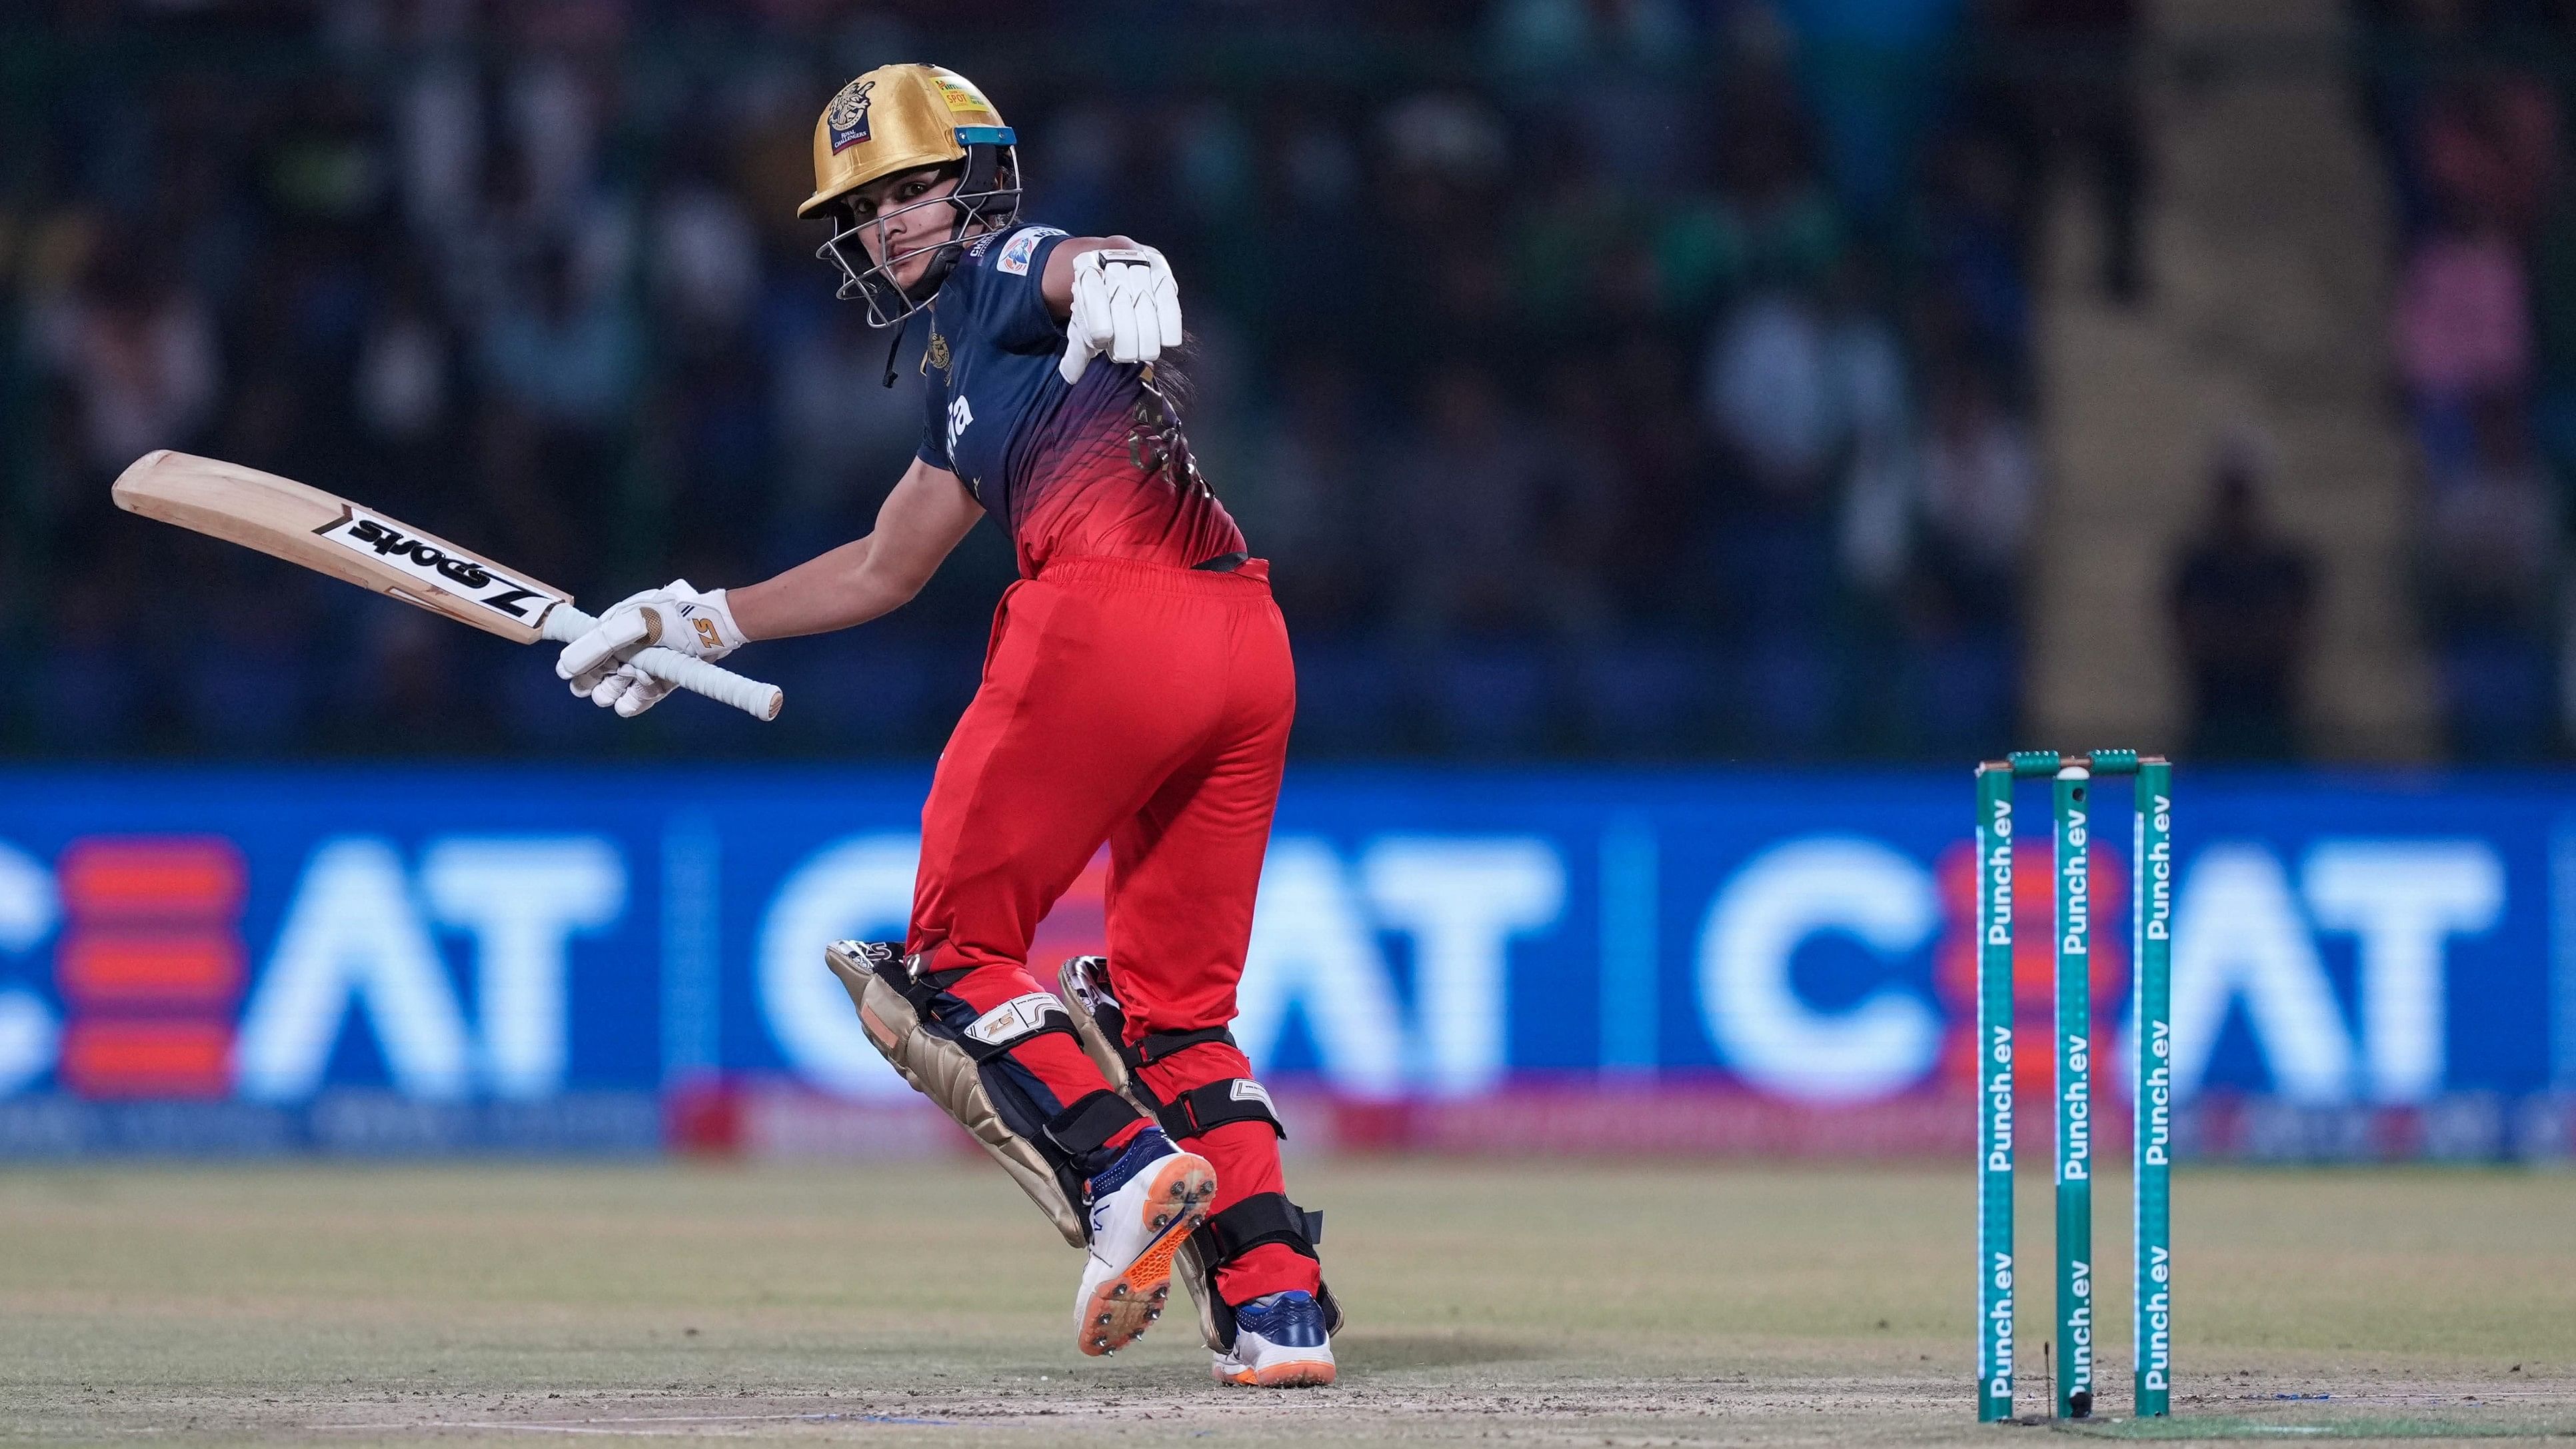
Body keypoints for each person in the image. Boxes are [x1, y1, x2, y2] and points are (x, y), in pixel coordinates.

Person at [551, 65, 1336, 1388]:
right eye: (864, 209)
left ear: (975, 179)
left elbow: (1075, 259)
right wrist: (694, 622)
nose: (892, 225)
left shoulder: (1006, 268)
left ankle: (1129, 1171)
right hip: (1244, 645)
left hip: (1106, 628)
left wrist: (1121, 262)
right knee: (1175, 1014)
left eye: (914, 187)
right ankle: (1279, 1313)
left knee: (948, 959)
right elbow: (882, 565)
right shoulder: (963, 379)